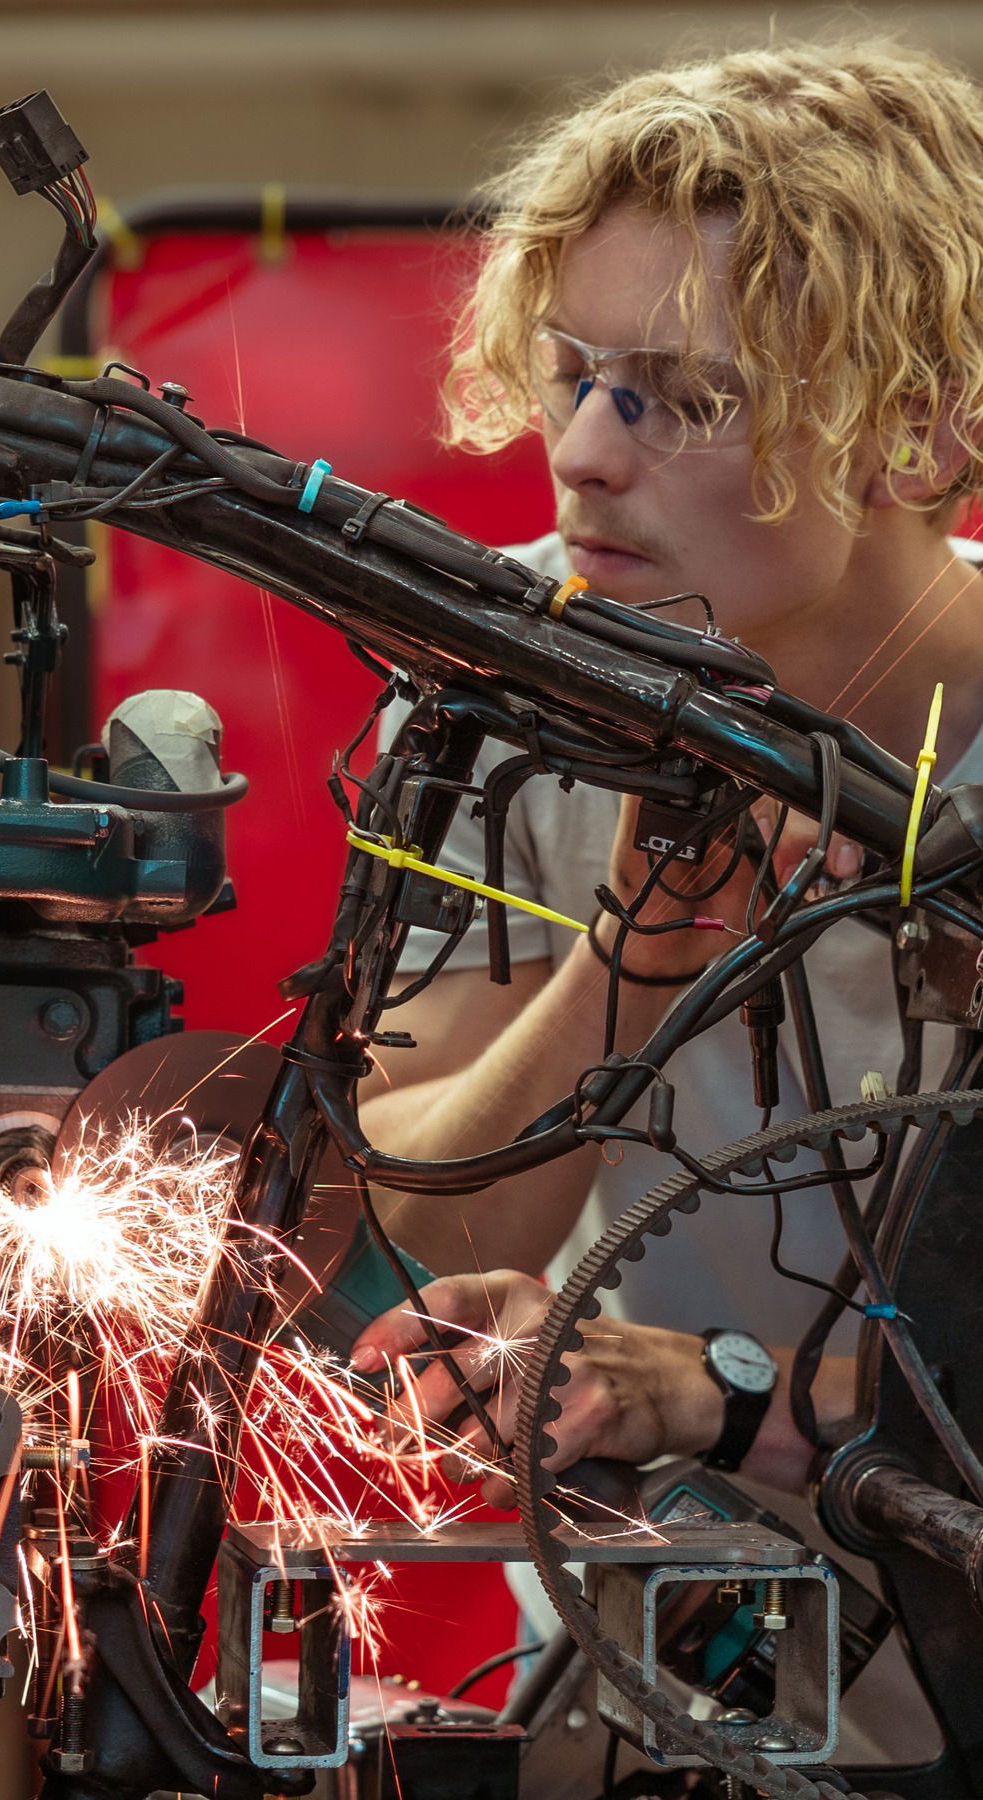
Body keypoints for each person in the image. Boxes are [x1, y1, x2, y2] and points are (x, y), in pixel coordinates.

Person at [339, 43, 983, 1749]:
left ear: (912, 432)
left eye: (683, 398)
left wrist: (721, 1393)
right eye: (570, 377)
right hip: (685, 1663)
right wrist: (629, 963)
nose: (582, 461)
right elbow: (441, 1214)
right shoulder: (504, 694)